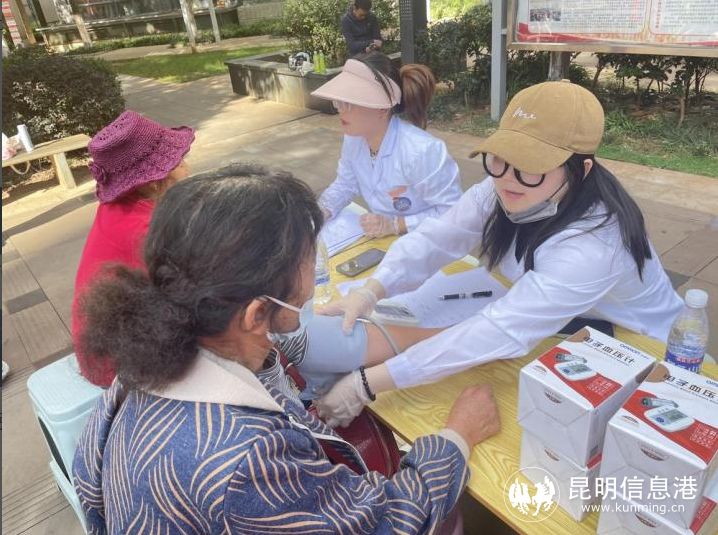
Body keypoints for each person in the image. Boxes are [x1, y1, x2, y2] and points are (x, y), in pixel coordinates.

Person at [72, 165, 501, 533]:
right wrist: (457, 436)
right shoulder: (246, 461)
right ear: (257, 313)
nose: (314, 269)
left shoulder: (144, 364)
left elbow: (289, 346)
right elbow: (389, 524)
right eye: (307, 258)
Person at [315, 80, 684, 428]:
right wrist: (371, 291)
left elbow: (499, 330)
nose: (508, 178)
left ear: (581, 169)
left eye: (531, 167)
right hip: (566, 325)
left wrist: (367, 384)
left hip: (638, 350)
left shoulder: (595, 245)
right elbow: (436, 238)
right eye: (501, 158)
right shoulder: (502, 186)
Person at [70, 110, 194, 387]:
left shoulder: (116, 207)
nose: (187, 166)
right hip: (122, 365)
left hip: (100, 344)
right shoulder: (148, 230)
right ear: (155, 180)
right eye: (179, 161)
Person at [312, 52, 462, 238]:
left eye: (349, 103)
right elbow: (345, 184)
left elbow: (453, 211)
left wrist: (397, 224)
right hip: (386, 242)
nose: (340, 110)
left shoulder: (423, 151)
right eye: (338, 102)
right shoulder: (354, 139)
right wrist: (320, 213)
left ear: (382, 108)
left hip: (431, 244)